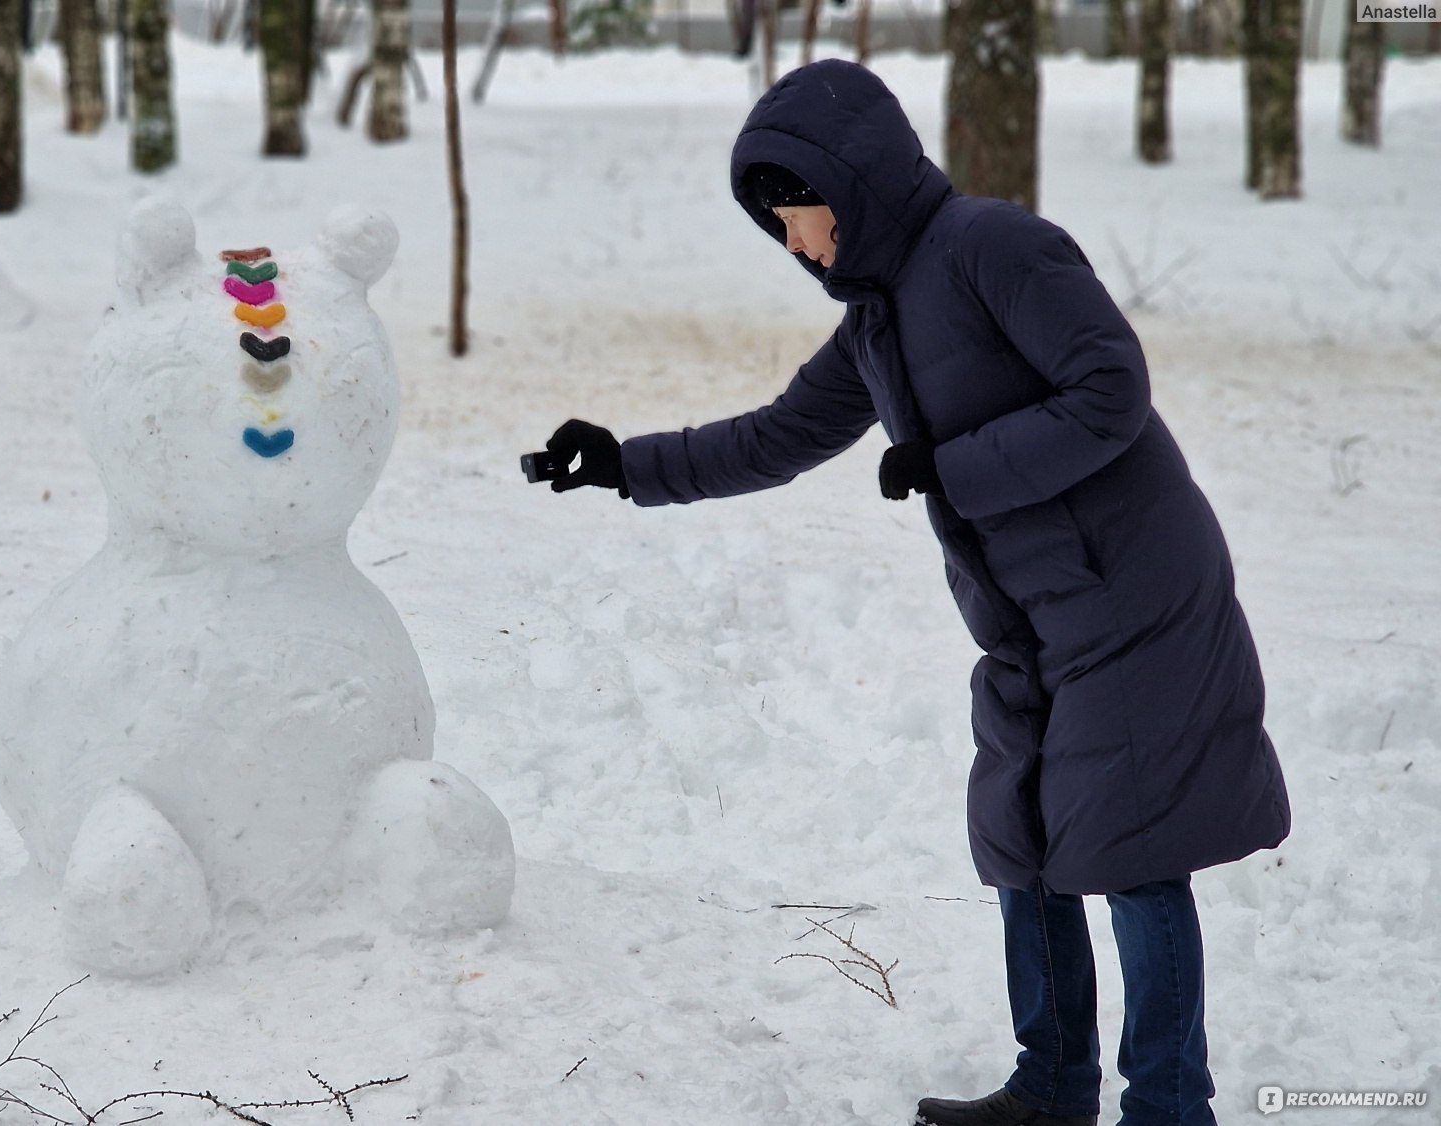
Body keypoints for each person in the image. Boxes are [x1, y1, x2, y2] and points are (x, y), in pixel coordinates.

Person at [535, 59, 1290, 1126]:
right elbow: (775, 437)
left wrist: (956, 466)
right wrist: (624, 464)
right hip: (1029, 622)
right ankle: (1051, 1083)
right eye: (777, 229)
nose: (794, 245)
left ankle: (1168, 1107)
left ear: (852, 185)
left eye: (795, 216)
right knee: (1019, 837)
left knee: (1134, 849)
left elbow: (1109, 386)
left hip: (1134, 596)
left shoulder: (993, 247)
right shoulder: (876, 324)